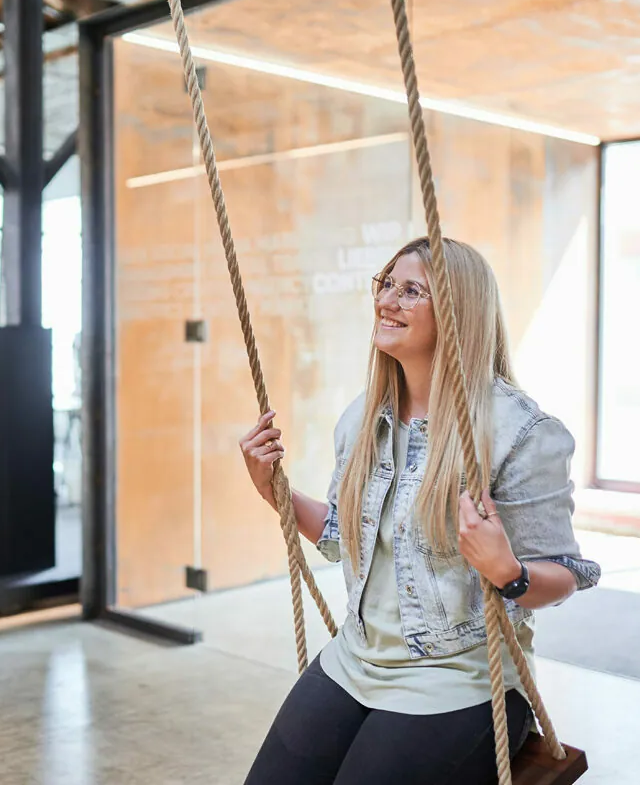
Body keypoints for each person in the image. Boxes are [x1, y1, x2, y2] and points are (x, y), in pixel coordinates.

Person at [237, 237, 601, 784]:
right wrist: (276, 493)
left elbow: (565, 576)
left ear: (459, 312)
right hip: (355, 661)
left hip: (460, 679)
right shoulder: (363, 418)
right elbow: (341, 536)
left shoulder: (520, 434)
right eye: (386, 285)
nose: (388, 301)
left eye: (412, 291)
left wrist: (508, 572)